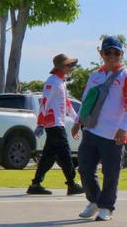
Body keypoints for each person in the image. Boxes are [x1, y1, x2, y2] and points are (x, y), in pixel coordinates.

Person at [72, 37, 127, 222]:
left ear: (121, 54)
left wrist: (123, 129)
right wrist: (78, 121)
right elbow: (86, 100)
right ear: (101, 54)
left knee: (110, 173)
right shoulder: (95, 75)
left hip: (113, 134)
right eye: (108, 52)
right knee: (84, 168)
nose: (112, 56)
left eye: (116, 53)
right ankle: (93, 200)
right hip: (92, 130)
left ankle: (107, 207)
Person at [27, 53, 84, 196]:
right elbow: (44, 102)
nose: (70, 67)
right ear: (60, 67)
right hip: (54, 124)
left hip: (59, 123)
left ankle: (35, 184)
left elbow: (67, 103)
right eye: (67, 65)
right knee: (65, 153)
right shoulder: (52, 81)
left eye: (71, 65)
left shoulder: (61, 82)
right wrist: (40, 123)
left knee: (49, 156)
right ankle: (71, 184)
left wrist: (77, 119)